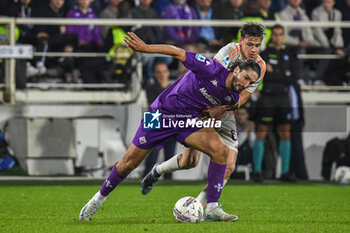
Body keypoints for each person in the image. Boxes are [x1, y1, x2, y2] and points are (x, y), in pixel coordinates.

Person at [79, 31, 261, 222]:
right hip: (161, 113)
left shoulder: (232, 96)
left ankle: (212, 207)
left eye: (251, 82)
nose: (246, 84)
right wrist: (146, 49)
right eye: (245, 77)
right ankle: (96, 201)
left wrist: (217, 112)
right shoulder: (211, 69)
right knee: (128, 164)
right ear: (236, 70)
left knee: (220, 151)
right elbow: (177, 52)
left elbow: (226, 105)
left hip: (188, 120)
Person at [140, 23, 266, 207]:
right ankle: (157, 171)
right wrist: (213, 109)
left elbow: (243, 97)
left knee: (229, 166)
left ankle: (201, 207)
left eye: (257, 45)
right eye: (250, 44)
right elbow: (212, 83)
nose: (253, 50)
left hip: (226, 111)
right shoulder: (228, 52)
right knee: (189, 161)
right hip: (205, 107)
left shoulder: (259, 67)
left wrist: (222, 109)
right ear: (240, 41)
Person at [253, 24, 297, 182]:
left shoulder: (290, 54)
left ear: (284, 36)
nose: (278, 37)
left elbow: (293, 78)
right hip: (268, 97)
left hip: (283, 97)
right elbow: (263, 76)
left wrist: (274, 73)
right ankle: (257, 171)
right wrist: (280, 75)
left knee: (285, 132)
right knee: (261, 132)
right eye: (276, 34)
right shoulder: (263, 54)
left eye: (281, 34)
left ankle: (284, 172)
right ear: (272, 36)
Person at [143, 63, 177, 179]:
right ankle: (147, 180)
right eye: (159, 72)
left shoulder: (174, 88)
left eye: (164, 71)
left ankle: (168, 183)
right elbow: (153, 108)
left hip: (170, 125)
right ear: (155, 74)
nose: (162, 74)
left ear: (168, 73)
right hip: (156, 126)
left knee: (170, 159)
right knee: (151, 158)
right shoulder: (151, 88)